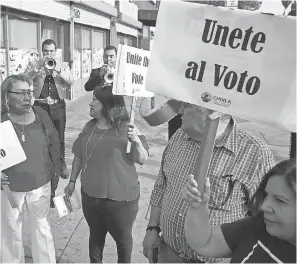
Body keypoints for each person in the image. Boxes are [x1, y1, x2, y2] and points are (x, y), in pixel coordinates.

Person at [142, 104, 276, 263]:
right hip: (169, 254)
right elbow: (162, 185)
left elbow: (265, 218)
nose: (180, 111)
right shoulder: (179, 137)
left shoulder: (255, 153)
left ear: (216, 113)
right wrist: (153, 227)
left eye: (188, 106)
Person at [64, 86, 149, 263]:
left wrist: (137, 141)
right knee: (95, 237)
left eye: (95, 99)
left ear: (108, 104)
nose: (90, 103)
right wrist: (72, 181)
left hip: (120, 200)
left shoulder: (128, 128)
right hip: (90, 196)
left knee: (123, 241)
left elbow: (142, 159)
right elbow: (79, 156)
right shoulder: (89, 127)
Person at [183, 158, 296, 263]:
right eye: (266, 195)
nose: (264, 206)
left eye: (280, 200)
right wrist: (198, 205)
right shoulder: (260, 225)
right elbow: (206, 242)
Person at [1, 74, 61, 263]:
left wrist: (56, 172)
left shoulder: (41, 114)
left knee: (42, 229)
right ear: (6, 95)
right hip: (9, 187)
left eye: (29, 92)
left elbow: (54, 143)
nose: (27, 97)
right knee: (10, 231)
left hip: (40, 184)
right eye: (21, 93)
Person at [24, 38, 74, 179]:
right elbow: (25, 79)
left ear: (55, 51)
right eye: (46, 51)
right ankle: (43, 164)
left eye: (51, 51)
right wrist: (37, 68)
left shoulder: (63, 65)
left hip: (58, 105)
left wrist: (58, 70)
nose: (49, 54)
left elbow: (70, 80)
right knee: (41, 136)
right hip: (40, 105)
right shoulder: (35, 64)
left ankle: (61, 164)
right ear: (42, 51)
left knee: (60, 137)